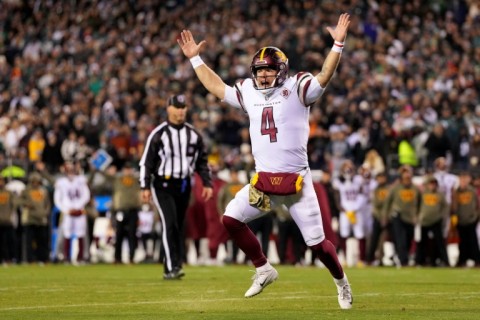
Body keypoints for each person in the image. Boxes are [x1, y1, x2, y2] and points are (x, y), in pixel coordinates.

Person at [178, 13, 353, 308]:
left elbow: (324, 75)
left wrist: (337, 44)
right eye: (259, 70)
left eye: (268, 70)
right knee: (230, 219)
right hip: (264, 183)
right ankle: (263, 268)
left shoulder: (297, 87)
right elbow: (217, 87)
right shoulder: (248, 91)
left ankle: (341, 283)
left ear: (281, 70)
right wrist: (196, 60)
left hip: (297, 181)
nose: (262, 75)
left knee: (317, 245)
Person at [139, 94, 213, 280]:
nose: (180, 111)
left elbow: (202, 161)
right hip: (163, 184)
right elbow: (147, 162)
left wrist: (207, 182)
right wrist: (145, 186)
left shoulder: (194, 135)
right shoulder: (159, 133)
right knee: (169, 222)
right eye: (177, 107)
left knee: (179, 225)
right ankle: (171, 267)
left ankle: (175, 264)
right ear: (169, 109)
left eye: (183, 107)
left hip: (184, 184)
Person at [54, 161, 91, 264]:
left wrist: (79, 207)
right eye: (68, 170)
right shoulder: (61, 182)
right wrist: (66, 210)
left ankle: (81, 257)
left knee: (81, 234)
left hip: (79, 211)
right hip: (67, 212)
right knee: (66, 234)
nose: (70, 172)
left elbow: (86, 195)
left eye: (72, 170)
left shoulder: (81, 180)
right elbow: (57, 200)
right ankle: (66, 257)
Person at [415, 176, 449, 267]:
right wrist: (418, 216)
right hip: (424, 221)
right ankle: (420, 261)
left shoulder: (440, 195)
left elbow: (445, 207)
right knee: (422, 242)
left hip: (436, 220)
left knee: (439, 242)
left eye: (434, 184)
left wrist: (442, 217)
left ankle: (444, 260)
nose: (432, 186)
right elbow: (417, 205)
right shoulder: (422, 194)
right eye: (431, 184)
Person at [18, 172, 51, 264]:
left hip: (41, 218)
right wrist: (26, 204)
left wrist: (45, 213)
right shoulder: (26, 191)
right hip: (30, 218)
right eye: (34, 181)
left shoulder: (43, 191)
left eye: (37, 181)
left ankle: (43, 259)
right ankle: (30, 259)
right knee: (29, 241)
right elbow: (18, 201)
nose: (35, 183)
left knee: (42, 240)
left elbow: (47, 204)